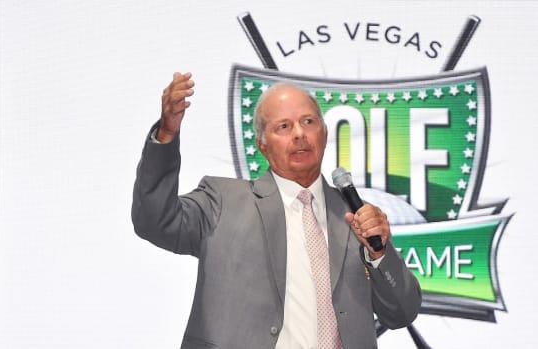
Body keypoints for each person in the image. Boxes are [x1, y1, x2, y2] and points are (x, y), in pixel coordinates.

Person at [132, 72, 422, 349]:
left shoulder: (355, 216)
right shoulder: (222, 200)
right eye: (283, 127)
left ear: (323, 133)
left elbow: (402, 312)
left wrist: (379, 254)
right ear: (262, 145)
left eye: (308, 122)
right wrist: (167, 133)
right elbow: (154, 221)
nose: (299, 134)